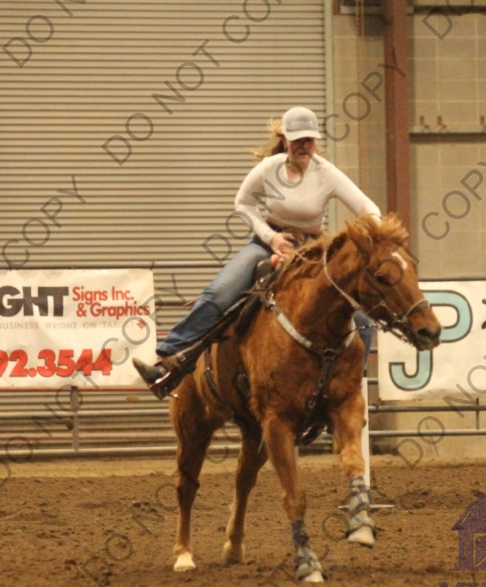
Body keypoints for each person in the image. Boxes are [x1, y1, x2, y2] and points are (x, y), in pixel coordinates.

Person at [134, 106, 381, 397]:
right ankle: (169, 361)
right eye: (297, 140)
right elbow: (243, 203)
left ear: (316, 141)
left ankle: (349, 388)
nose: (303, 146)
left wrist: (373, 234)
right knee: (220, 292)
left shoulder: (327, 173)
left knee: (361, 318)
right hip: (265, 245)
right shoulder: (269, 168)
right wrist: (271, 237)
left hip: (311, 251)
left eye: (309, 140)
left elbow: (368, 208)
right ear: (285, 140)